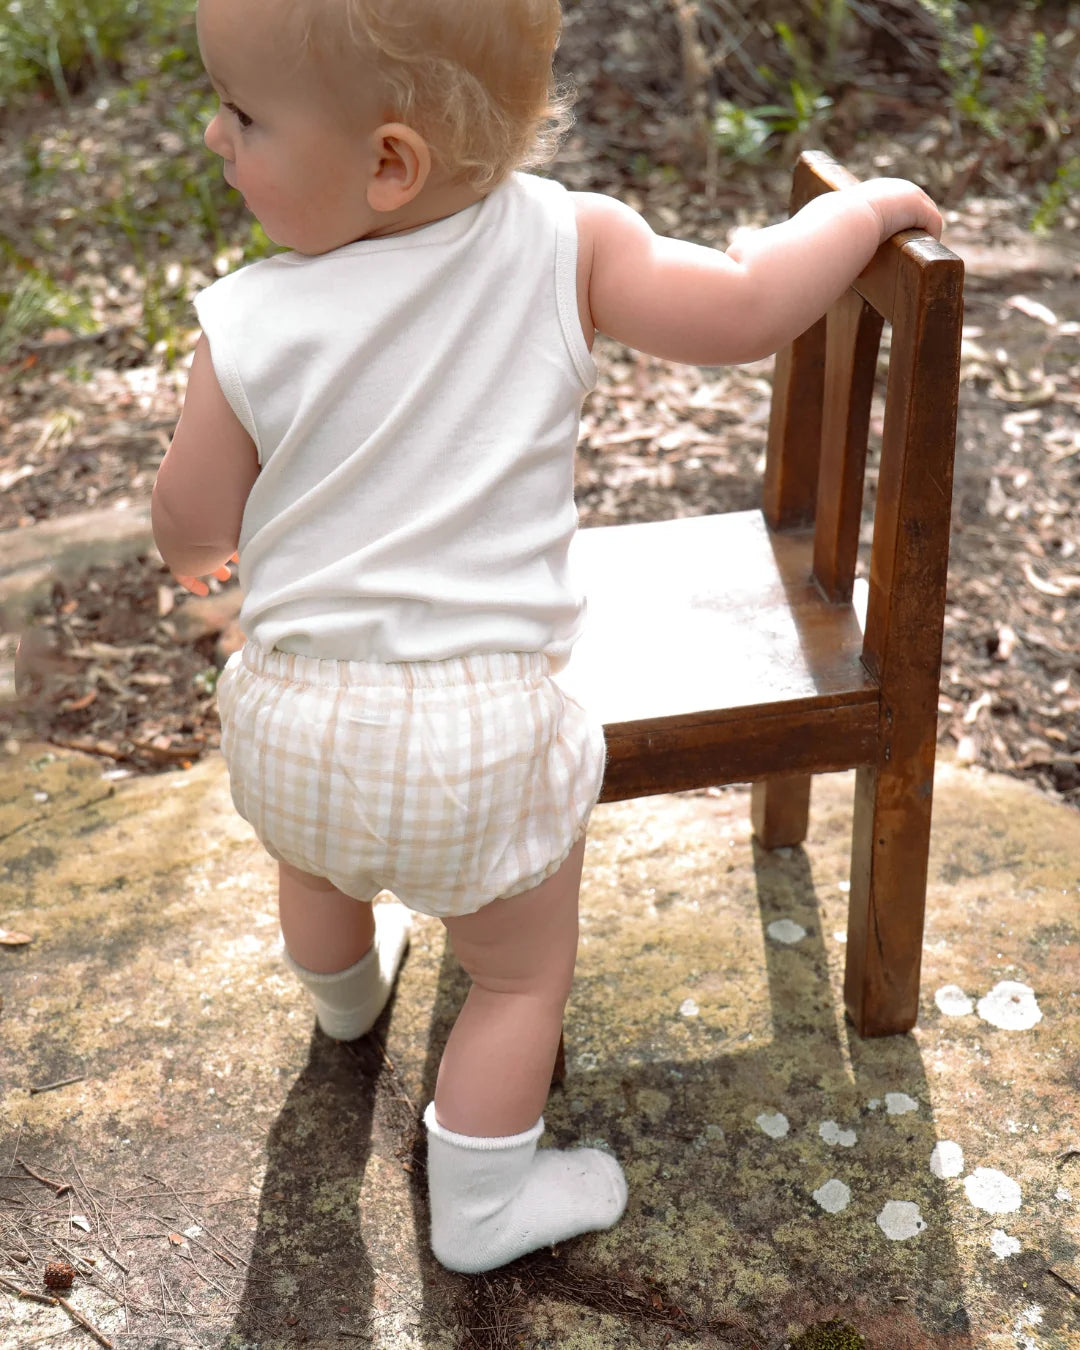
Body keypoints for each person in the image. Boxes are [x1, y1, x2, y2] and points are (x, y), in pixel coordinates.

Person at [151, 0, 943, 1275]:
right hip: (478, 737)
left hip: (290, 709)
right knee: (518, 980)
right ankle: (482, 1203)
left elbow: (191, 518)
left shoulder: (243, 322)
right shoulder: (568, 243)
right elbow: (743, 309)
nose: (212, 135)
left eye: (243, 116)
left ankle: (345, 1006)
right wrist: (852, 219)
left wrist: (205, 564)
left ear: (389, 161)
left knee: (319, 858)